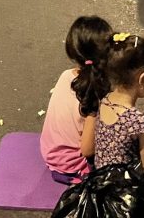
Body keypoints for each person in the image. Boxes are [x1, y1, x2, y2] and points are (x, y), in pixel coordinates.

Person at [80, 32, 144, 204]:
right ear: (142, 79)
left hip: (104, 183)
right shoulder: (138, 120)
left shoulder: (104, 100)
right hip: (129, 190)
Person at [40, 15, 113, 184]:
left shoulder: (66, 75)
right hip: (69, 166)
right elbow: (87, 150)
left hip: (49, 151)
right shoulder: (96, 91)